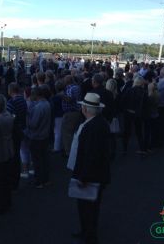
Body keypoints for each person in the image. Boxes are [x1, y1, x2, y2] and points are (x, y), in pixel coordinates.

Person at [67, 93, 111, 244]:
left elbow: (90, 155)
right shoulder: (99, 123)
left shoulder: (92, 126)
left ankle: (89, 236)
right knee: (87, 207)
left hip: (89, 175)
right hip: (93, 173)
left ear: (86, 108)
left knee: (88, 208)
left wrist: (82, 176)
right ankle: (86, 231)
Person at [0, 94, 15, 214]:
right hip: (9, 148)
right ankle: (7, 201)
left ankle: (0, 204)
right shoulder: (9, 116)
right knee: (6, 177)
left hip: (0, 150)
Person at [26, 86, 51, 188]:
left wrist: (27, 117)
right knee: (44, 159)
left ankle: (39, 181)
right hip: (45, 135)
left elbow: (33, 124)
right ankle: (45, 179)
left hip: (36, 137)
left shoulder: (38, 107)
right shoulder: (47, 104)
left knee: (37, 160)